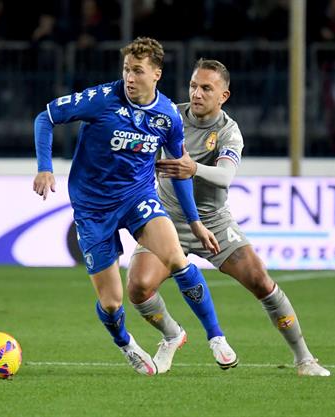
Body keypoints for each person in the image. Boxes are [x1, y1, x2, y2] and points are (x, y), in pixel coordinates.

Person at [33, 38, 238, 376]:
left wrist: (195, 221)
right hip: (93, 206)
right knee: (112, 301)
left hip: (137, 198)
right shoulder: (101, 99)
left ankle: (216, 336)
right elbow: (45, 117)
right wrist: (44, 166)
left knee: (176, 258)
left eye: (137, 71)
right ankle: (126, 343)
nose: (129, 77)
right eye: (126, 69)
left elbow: (179, 168)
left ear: (156, 74)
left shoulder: (167, 115)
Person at [126, 58, 331, 376]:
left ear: (224, 95)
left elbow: (224, 177)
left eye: (207, 88)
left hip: (214, 223)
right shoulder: (168, 115)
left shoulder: (229, 131)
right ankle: (171, 336)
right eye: (194, 85)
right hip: (165, 221)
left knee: (262, 281)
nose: (197, 93)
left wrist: (192, 168)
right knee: (138, 287)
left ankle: (304, 359)